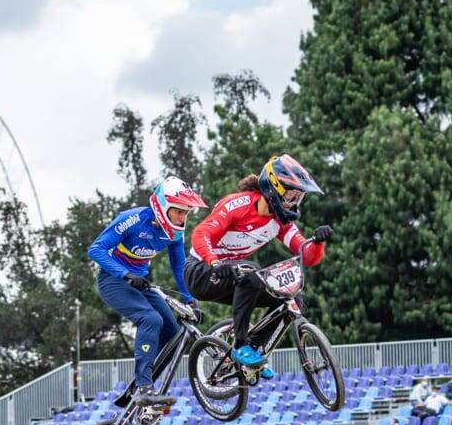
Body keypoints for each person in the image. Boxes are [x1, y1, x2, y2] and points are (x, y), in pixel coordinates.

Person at [184, 155, 332, 376]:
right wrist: (214, 262)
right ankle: (240, 345)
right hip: (202, 271)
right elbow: (200, 233)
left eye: (298, 198)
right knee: (251, 272)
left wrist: (318, 242)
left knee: (292, 299)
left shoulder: (280, 222)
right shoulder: (238, 204)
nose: (294, 203)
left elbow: (306, 255)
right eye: (291, 196)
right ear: (273, 188)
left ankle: (253, 349)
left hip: (235, 275)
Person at [88, 177, 207, 404]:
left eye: (186, 213)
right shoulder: (132, 219)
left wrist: (190, 299)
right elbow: (96, 249)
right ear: (163, 207)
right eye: (179, 212)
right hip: (113, 280)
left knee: (173, 334)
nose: (183, 218)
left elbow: (179, 266)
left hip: (140, 282)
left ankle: (141, 385)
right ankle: (144, 386)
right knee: (151, 319)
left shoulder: (176, 232)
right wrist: (125, 274)